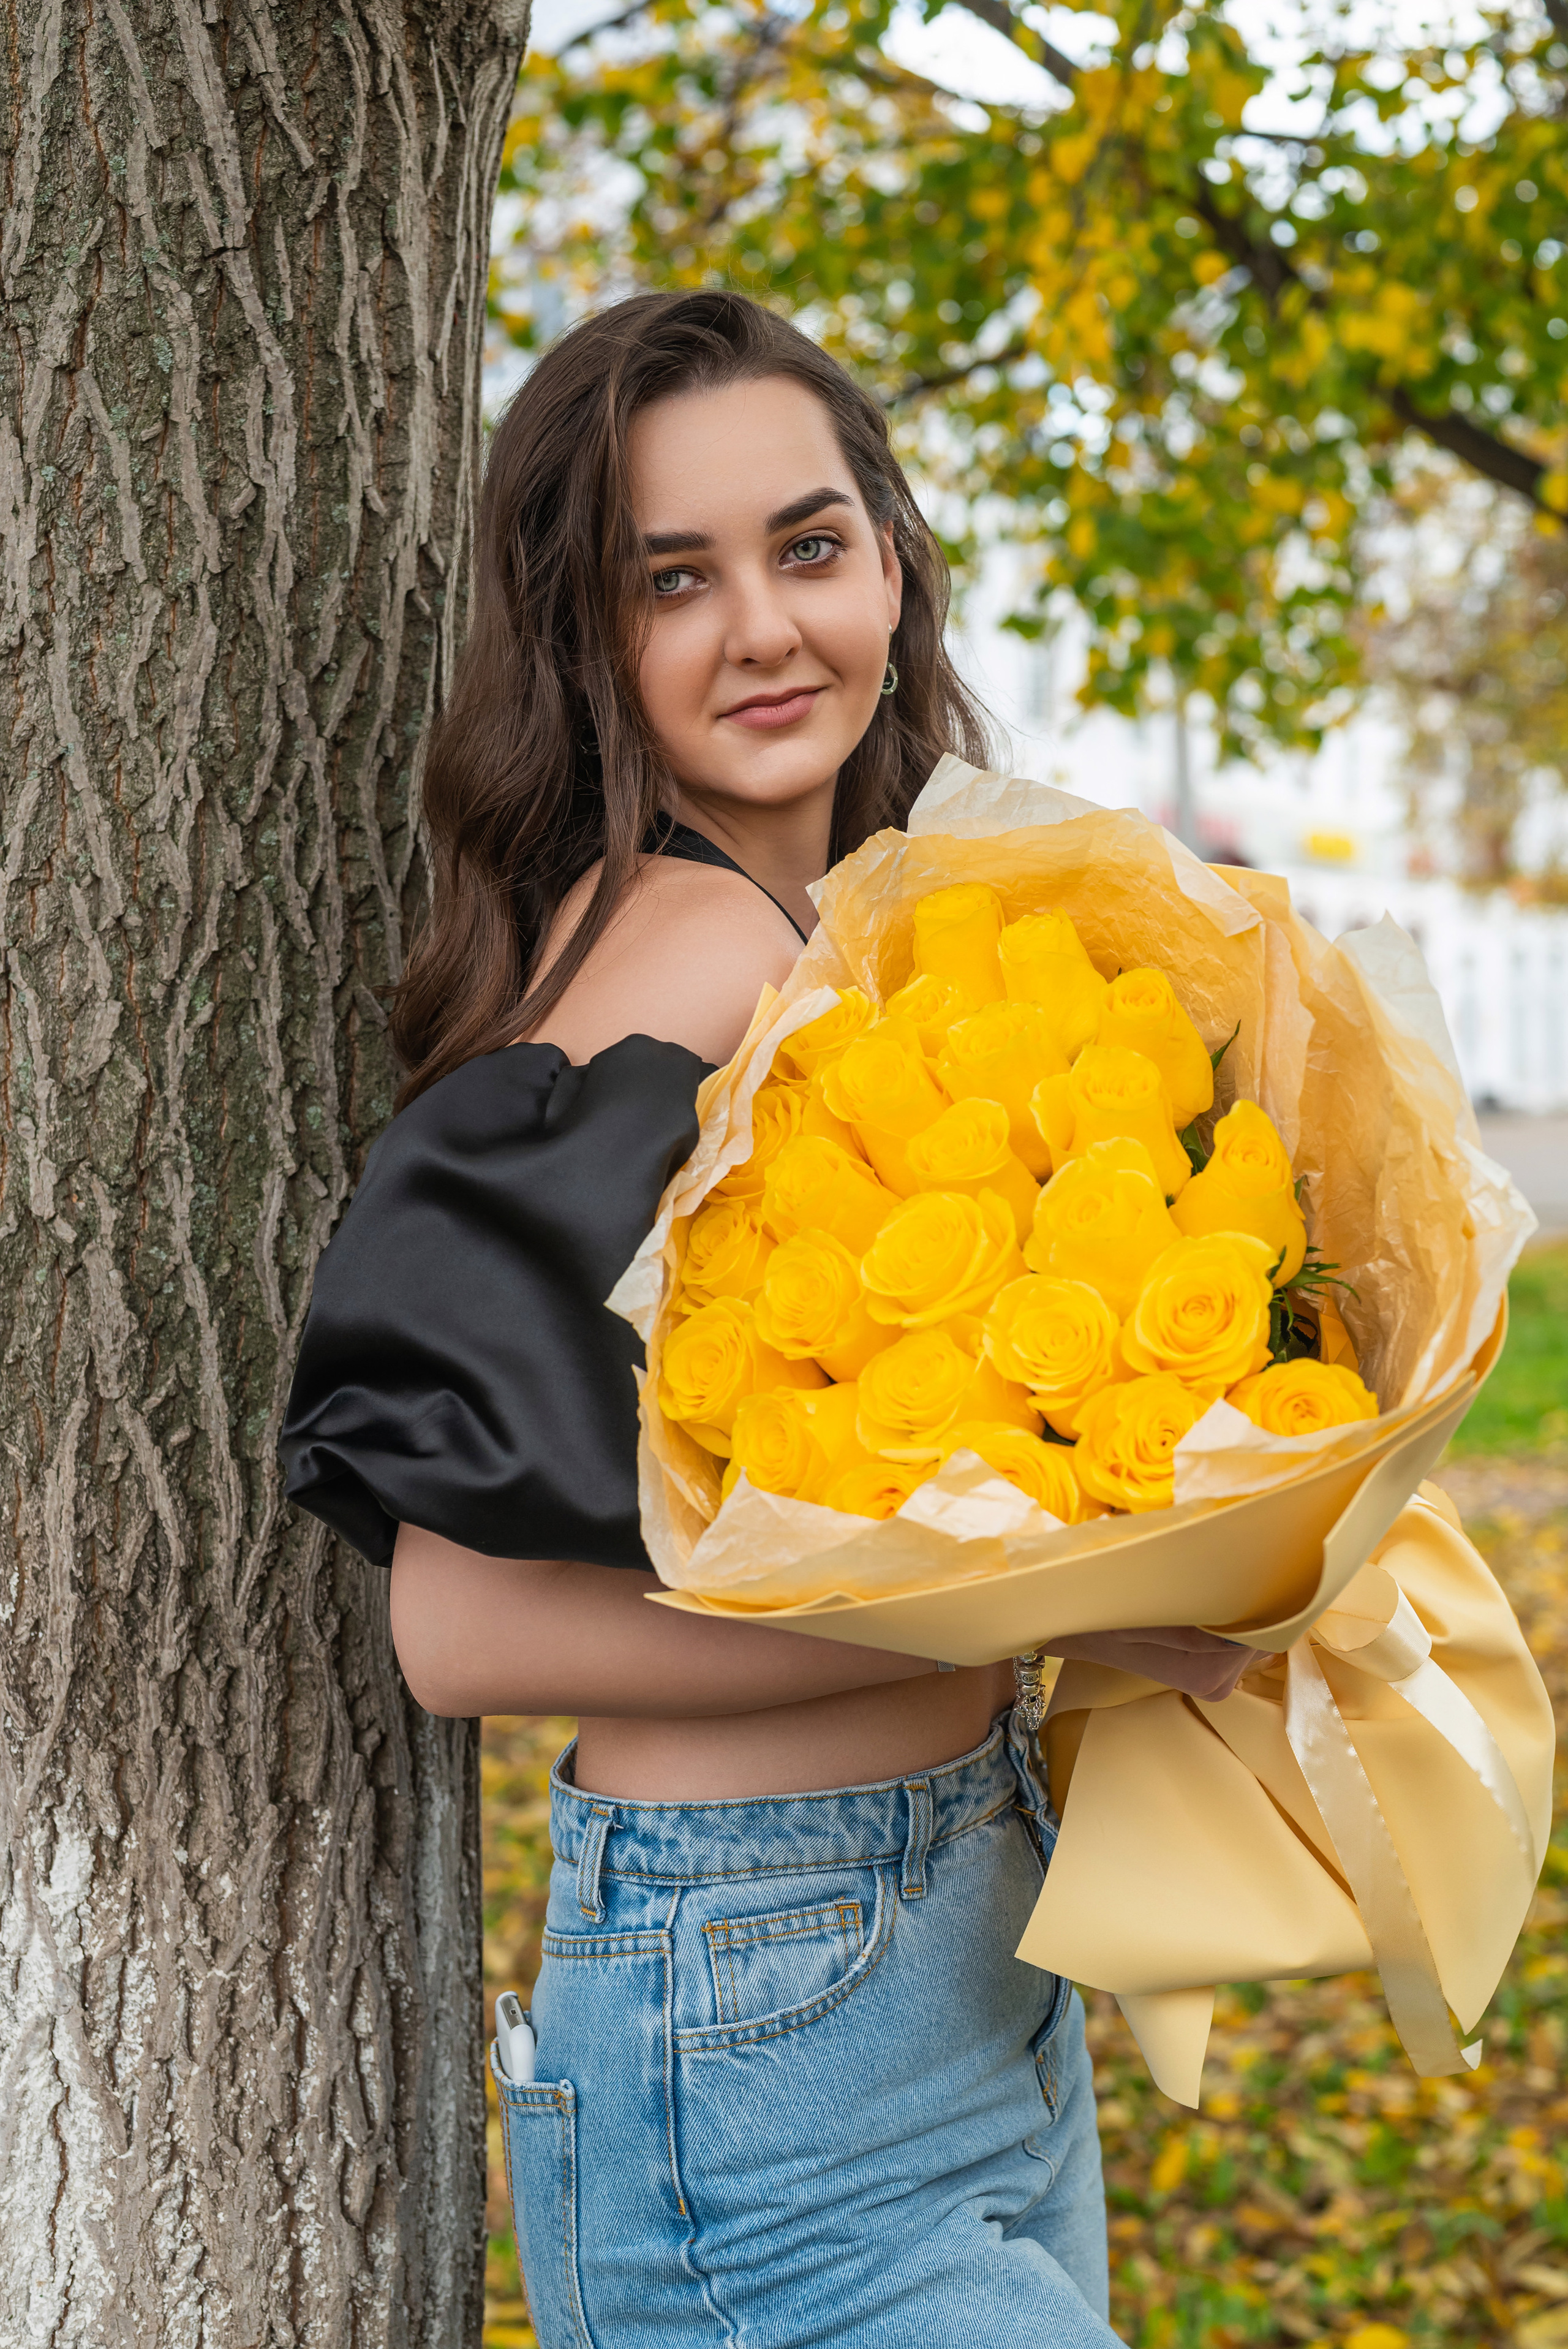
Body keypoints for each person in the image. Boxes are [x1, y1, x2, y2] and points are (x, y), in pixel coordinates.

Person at [279, 289, 1258, 2349]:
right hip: (760, 1998)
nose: (763, 629)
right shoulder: (687, 942)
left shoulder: (861, 932)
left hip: (946, 1945)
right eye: (672, 580)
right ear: (588, 639)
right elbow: (457, 1626)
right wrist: (1027, 1605)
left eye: (808, 547)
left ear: (892, 566)